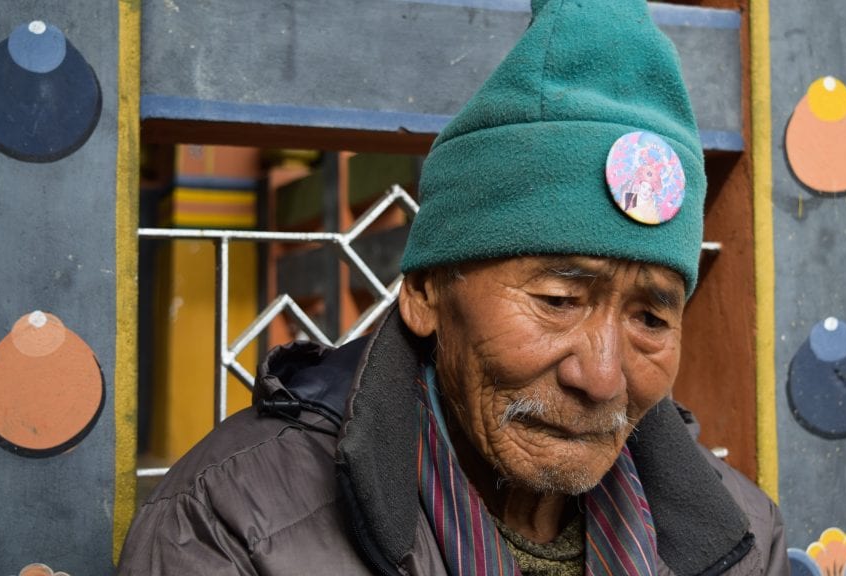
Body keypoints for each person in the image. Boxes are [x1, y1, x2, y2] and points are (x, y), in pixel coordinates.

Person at [117, 0, 789, 574]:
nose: (604, 377)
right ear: (426, 293)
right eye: (558, 300)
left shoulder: (740, 535)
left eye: (649, 318)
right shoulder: (234, 522)